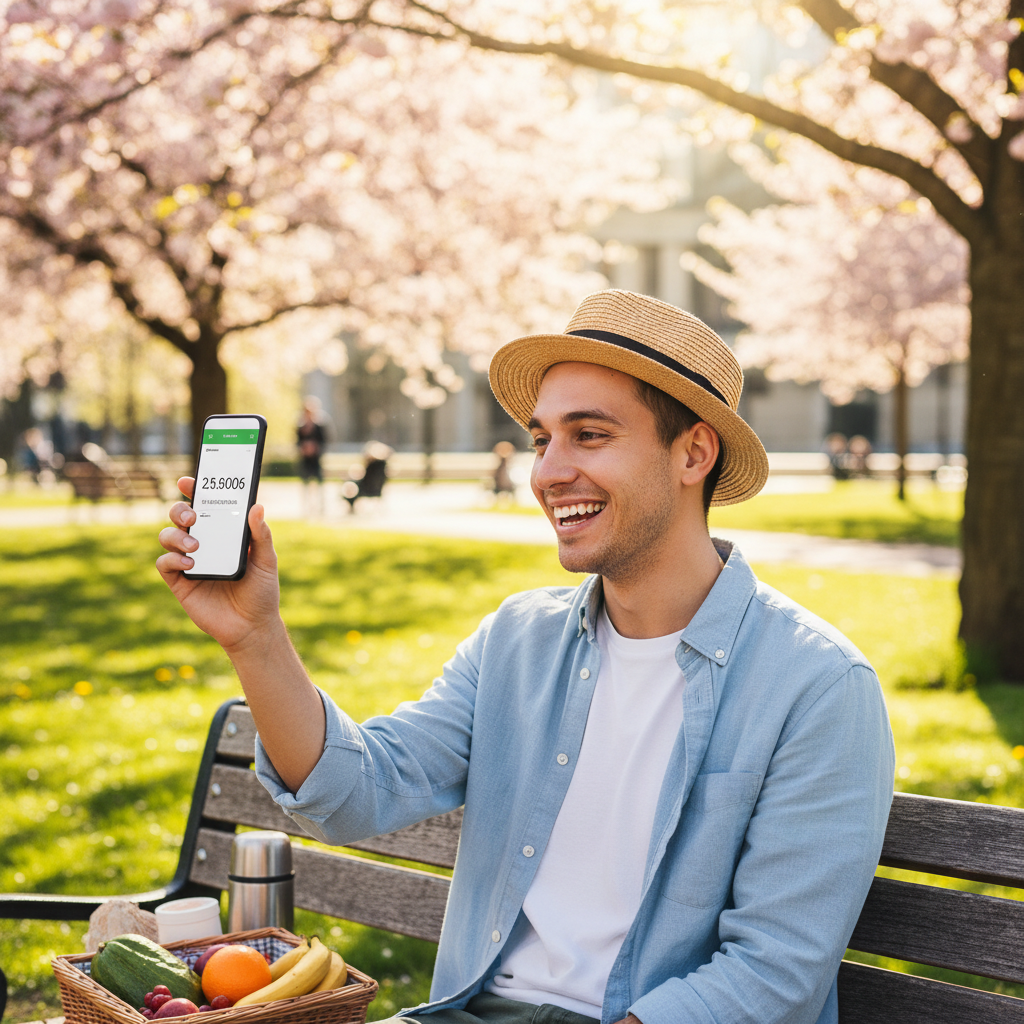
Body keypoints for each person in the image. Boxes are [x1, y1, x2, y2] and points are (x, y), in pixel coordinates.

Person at [157, 290, 894, 1024]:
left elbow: (773, 974)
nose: (547, 472)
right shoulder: (518, 640)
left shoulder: (818, 687)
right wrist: (255, 637)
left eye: (590, 436)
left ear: (693, 452)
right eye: (542, 439)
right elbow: (356, 793)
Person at [297, 397, 328, 516]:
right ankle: (306, 507)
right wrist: (303, 448)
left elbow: (325, 441)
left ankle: (321, 507)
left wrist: (315, 448)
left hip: (316, 459)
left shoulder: (320, 425)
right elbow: (297, 442)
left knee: (319, 483)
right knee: (305, 483)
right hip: (305, 459)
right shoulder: (300, 426)